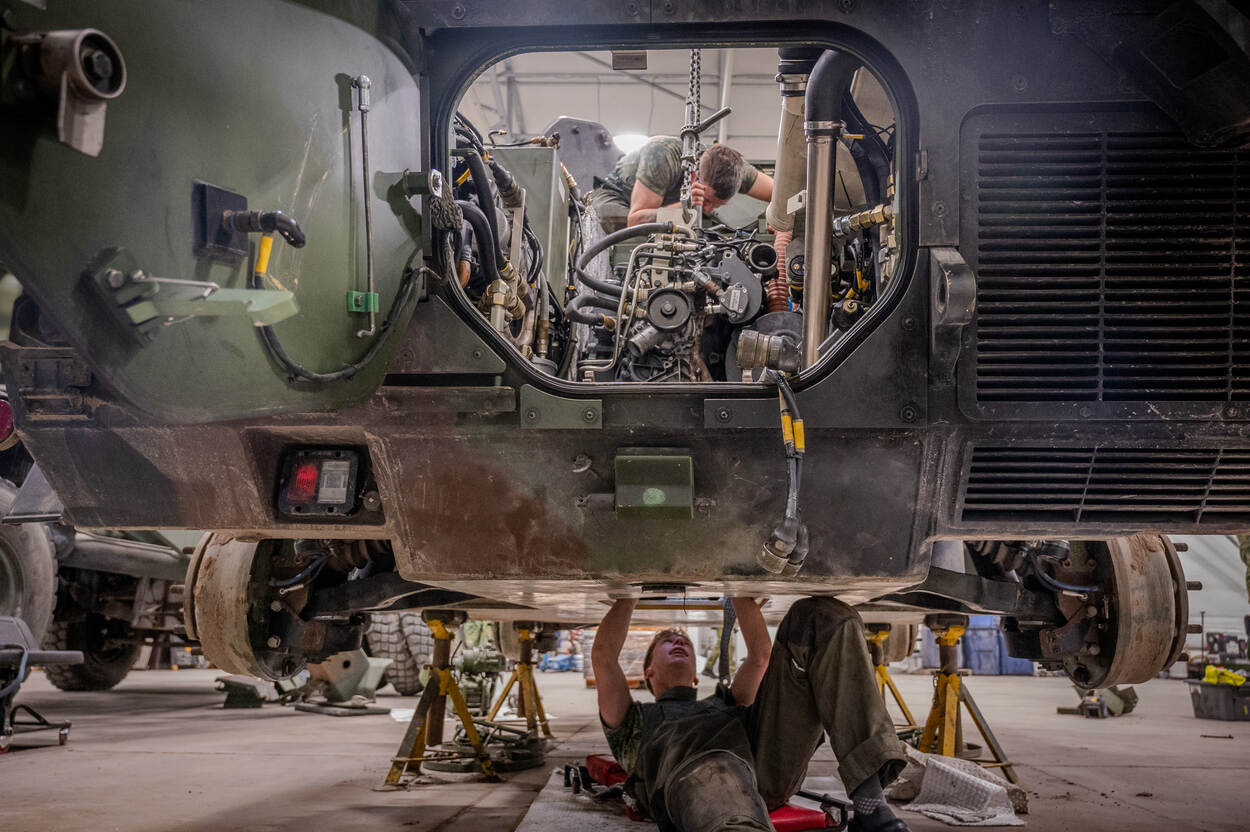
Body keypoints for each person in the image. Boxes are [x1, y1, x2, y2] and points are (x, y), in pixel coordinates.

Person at [592, 596, 909, 832]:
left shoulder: (725, 700)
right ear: (648, 672)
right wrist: (629, 590)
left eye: (682, 640)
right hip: (697, 782)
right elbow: (604, 657)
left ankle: (871, 806)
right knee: (717, 770)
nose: (676, 640)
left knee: (817, 618)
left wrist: (737, 581)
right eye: (664, 641)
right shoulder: (631, 724)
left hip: (764, 765)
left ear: (695, 677)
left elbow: (761, 657)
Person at [587, 138, 774, 231]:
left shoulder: (737, 169)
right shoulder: (662, 157)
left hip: (662, 202)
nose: (709, 209)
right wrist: (685, 205)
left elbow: (779, 192)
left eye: (717, 205)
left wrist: (780, 220)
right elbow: (634, 220)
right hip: (620, 199)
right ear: (695, 175)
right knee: (607, 221)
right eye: (708, 200)